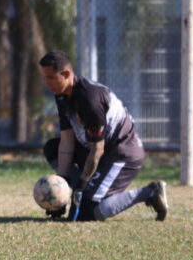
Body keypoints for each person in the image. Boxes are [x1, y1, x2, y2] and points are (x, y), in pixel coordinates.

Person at [39, 50, 168, 222]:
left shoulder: (89, 100)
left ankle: (150, 192)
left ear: (67, 74)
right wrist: (61, 189)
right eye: (45, 78)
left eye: (51, 77)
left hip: (121, 153)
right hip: (97, 149)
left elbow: (97, 149)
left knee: (89, 213)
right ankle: (79, 192)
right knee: (52, 148)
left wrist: (83, 184)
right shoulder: (62, 95)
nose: (47, 83)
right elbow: (67, 141)